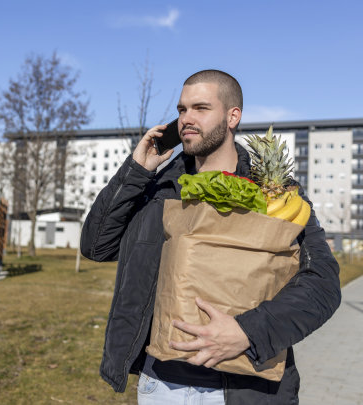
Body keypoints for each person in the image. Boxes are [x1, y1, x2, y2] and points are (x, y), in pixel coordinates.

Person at [80, 70, 341, 404]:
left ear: (233, 116)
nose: (187, 119)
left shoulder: (277, 194)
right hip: (160, 386)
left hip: (247, 388)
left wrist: (248, 332)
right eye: (181, 110)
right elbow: (96, 246)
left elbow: (323, 284)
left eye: (200, 108)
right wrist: (137, 170)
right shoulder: (158, 188)